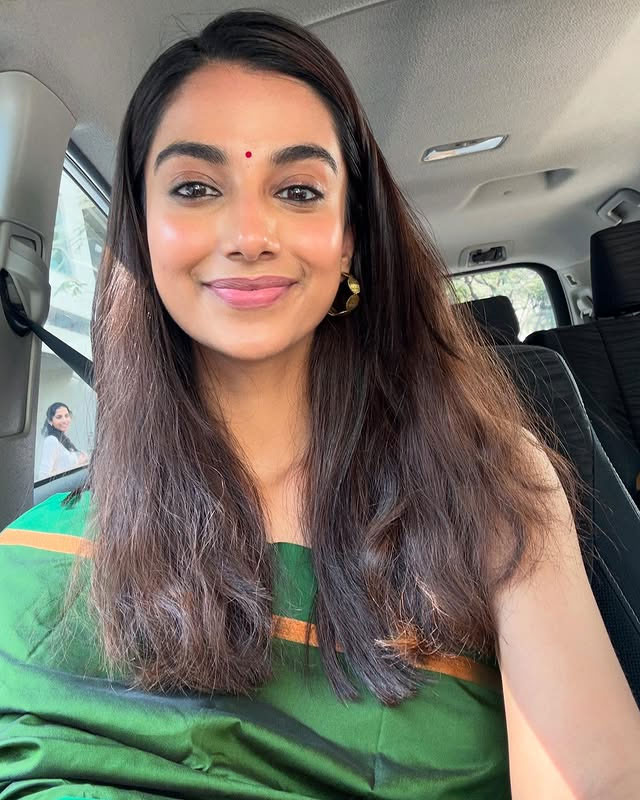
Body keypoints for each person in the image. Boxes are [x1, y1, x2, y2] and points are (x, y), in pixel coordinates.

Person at [1, 10, 639, 799]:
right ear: (140, 230)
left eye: (299, 190)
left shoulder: (490, 479)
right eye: (195, 188)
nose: (249, 234)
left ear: (349, 238)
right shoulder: (33, 562)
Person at [37, 402, 89, 480]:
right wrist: (77, 461)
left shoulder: (63, 439)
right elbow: (43, 475)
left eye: (66, 416)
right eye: (59, 417)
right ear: (50, 421)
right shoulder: (51, 440)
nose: (64, 420)